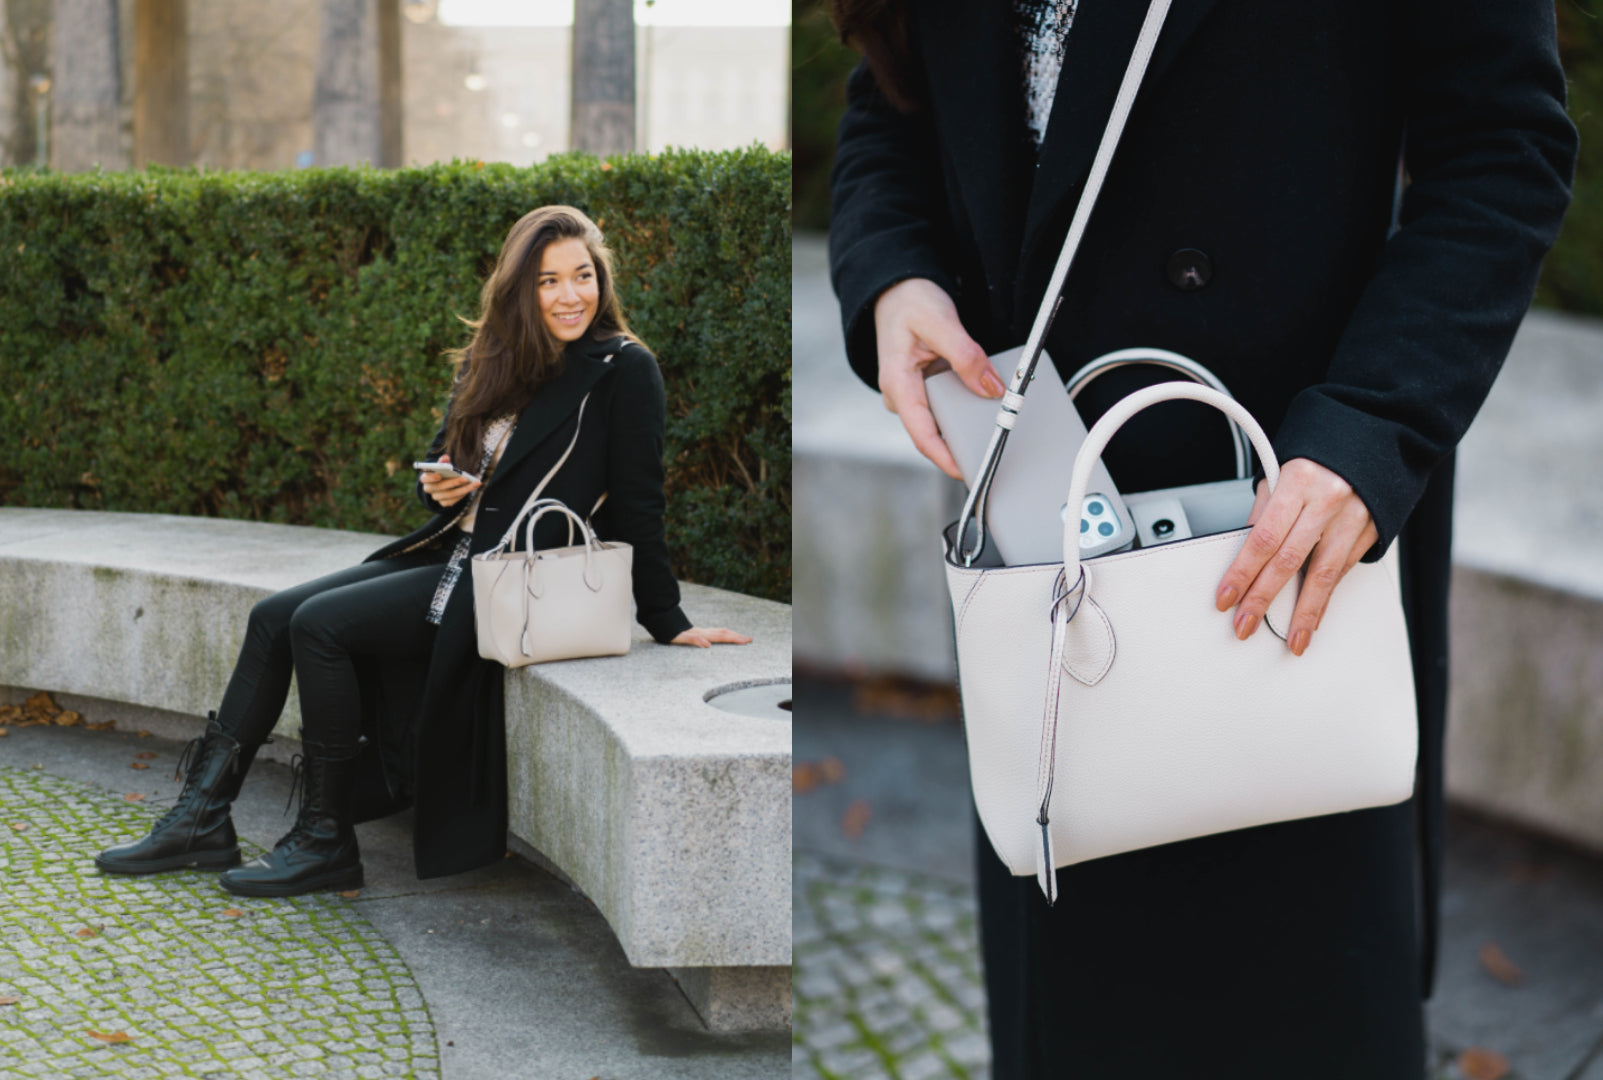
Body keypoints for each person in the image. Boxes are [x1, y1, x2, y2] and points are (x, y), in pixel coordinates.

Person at [827, 0, 1576, 1076]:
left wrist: (1373, 423)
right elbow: (894, 97)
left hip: (1292, 529)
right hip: (1049, 534)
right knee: (1073, 993)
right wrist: (892, 273)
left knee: (1293, 1013)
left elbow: (1504, 145)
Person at [95, 205, 751, 898]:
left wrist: (668, 619)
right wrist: (440, 485)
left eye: (582, 276)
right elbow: (445, 465)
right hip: (448, 553)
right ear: (519, 289)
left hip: (506, 577)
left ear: (601, 279)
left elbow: (639, 504)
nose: (570, 295)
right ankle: (201, 816)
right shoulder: (492, 359)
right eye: (549, 281)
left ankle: (325, 839)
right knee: (273, 616)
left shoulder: (621, 368)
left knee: (318, 627)